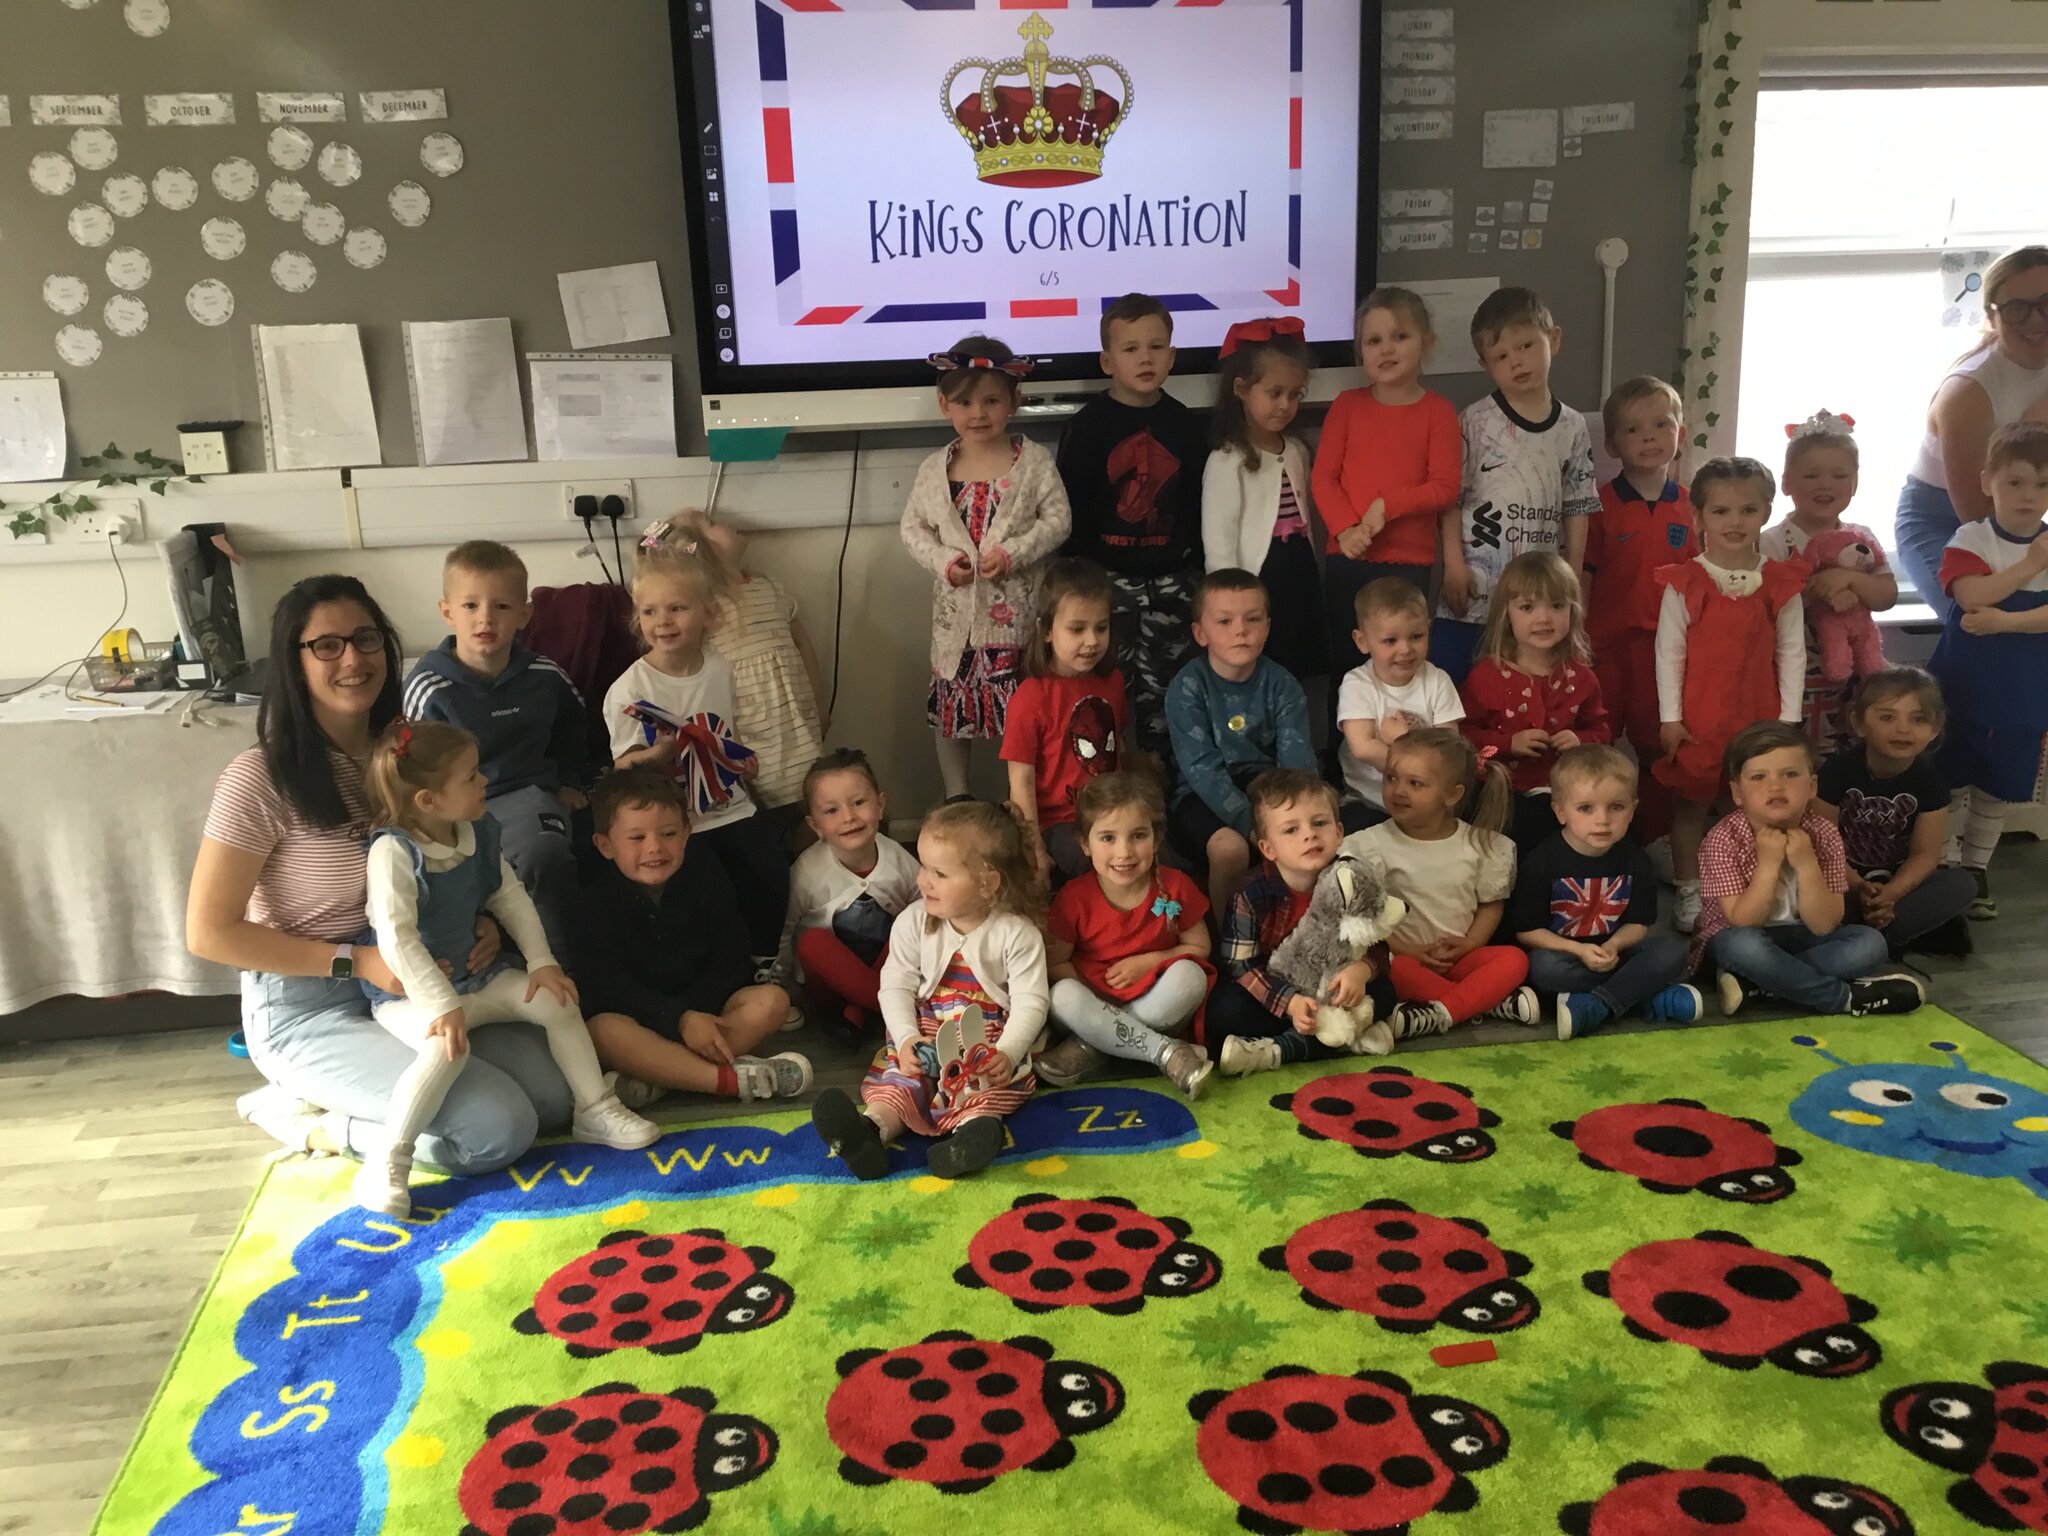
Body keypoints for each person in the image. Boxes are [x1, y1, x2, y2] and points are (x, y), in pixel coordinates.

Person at [188, 575, 569, 1177]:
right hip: (311, 1006)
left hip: (425, 984)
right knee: (498, 1130)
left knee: (556, 1098)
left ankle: (364, 1100)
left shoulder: (407, 755)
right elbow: (209, 933)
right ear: (293, 663)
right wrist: (358, 961)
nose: (353, 659)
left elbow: (460, 859)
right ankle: (317, 1123)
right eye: (326, 645)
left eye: (365, 639)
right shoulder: (259, 778)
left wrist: (482, 920)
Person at [353, 720, 656, 1214]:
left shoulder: (478, 830)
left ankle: (595, 1109)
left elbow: (510, 897)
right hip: (412, 995)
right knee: (443, 1050)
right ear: (429, 801)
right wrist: (439, 1002)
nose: (485, 782)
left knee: (557, 1001)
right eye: (471, 777)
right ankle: (391, 1159)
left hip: (480, 976)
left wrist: (541, 963)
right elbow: (396, 936)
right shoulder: (393, 852)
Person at [810, 800, 1049, 1181]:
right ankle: (870, 1131)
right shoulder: (913, 921)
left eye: (939, 873)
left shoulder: (1016, 933)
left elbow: (1031, 1001)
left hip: (983, 1041)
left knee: (979, 1091)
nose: (923, 881)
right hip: (928, 1031)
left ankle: (969, 1138)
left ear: (987, 882)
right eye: (922, 866)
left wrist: (1007, 1051)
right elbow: (894, 985)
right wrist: (906, 1039)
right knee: (902, 1082)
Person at [603, 522, 791, 996]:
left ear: (709, 615)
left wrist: (739, 762)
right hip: (675, 817)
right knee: (710, 891)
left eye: (677, 608)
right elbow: (622, 772)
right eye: (650, 611)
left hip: (728, 803)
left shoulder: (719, 669)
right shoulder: (630, 689)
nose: (663, 621)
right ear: (637, 619)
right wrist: (657, 756)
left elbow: (725, 732)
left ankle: (763, 962)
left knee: (768, 865)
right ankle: (718, 978)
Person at [575, 767, 811, 1107]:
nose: (655, 848)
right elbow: (608, 987)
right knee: (602, 1031)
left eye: (668, 833)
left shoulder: (707, 876)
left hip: (708, 1014)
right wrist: (679, 1019)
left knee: (772, 1002)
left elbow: (732, 957)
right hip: (644, 1020)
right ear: (605, 845)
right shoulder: (594, 902)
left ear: (687, 833)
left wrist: (696, 1017)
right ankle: (729, 1081)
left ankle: (666, 1075)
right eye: (637, 838)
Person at [402, 540, 589, 962]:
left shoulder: (545, 675)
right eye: (470, 606)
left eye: (502, 607)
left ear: (524, 614)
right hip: (455, 807)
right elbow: (412, 767)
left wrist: (571, 781)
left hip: (527, 794)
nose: (485, 618)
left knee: (548, 854)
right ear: (447, 611)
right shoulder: (427, 687)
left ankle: (565, 971)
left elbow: (575, 728)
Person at [904, 336, 1073, 800]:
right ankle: (957, 794)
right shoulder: (934, 469)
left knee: (1019, 711)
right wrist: (944, 561)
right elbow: (912, 528)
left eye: (992, 400)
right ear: (945, 406)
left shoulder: (1034, 462)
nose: (978, 412)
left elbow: (1058, 520)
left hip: (1015, 621)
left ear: (1014, 402)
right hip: (956, 621)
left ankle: (1023, 798)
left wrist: (1014, 553)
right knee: (953, 705)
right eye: (964, 402)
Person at [1056, 293, 1207, 772]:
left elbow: (1198, 506)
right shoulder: (1087, 428)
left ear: (1172, 357)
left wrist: (1196, 574)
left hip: (1172, 584)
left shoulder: (1185, 425)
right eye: (1130, 349)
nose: (1145, 358)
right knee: (1105, 691)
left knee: (1167, 696)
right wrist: (1075, 583)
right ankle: (1105, 792)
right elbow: (1070, 513)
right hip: (1106, 585)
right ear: (1106, 360)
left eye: (1156, 347)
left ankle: (1162, 795)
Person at [1656, 458, 1808, 934]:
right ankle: (1690, 889)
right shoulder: (1685, 582)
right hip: (1699, 719)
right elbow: (1668, 654)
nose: (1735, 522)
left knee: (1760, 807)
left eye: (1747, 510)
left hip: (1759, 720)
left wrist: (1787, 721)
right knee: (1692, 806)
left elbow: (1792, 652)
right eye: (1720, 511)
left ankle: (1757, 892)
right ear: (1698, 517)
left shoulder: (1781, 583)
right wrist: (1670, 717)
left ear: (1765, 512)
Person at [1696, 722, 1926, 1019]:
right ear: (1737, 793)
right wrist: (1767, 863)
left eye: (1790, 774)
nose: (1775, 786)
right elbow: (1743, 920)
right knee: (1741, 946)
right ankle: (1843, 998)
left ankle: (1762, 983)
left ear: (1812, 786)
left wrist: (1806, 863)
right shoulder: (1722, 839)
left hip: (1805, 936)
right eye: (1758, 777)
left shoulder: (1824, 833)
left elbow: (1824, 924)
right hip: (1741, 937)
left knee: (1870, 944)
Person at [1435, 286, 1599, 685]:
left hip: (1540, 595)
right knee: (1456, 686)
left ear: (1553, 339)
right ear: (1485, 363)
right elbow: (1450, 499)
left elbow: (1578, 506)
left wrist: (1573, 579)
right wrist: (1453, 566)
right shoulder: (1473, 422)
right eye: (1501, 356)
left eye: (1526, 345)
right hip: (1477, 587)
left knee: (1530, 691)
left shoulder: (1573, 427)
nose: (1516, 361)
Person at [1927, 421, 2048, 921]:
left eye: (2043, 484)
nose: (2028, 495)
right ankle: (1943, 864)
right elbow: (1970, 596)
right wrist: (2027, 567)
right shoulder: (1971, 537)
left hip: (2024, 692)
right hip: (1964, 686)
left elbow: (1990, 613)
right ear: (1988, 483)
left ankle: (1976, 869)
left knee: (1997, 786)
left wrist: (2006, 621)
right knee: (1950, 778)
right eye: (2015, 482)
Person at [1343, 728, 1538, 1039]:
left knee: (1513, 959)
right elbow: (1366, 917)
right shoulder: (1369, 846)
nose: (1398, 790)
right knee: (1389, 970)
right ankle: (1483, 1002)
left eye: (1415, 783)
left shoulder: (1481, 845)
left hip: (1461, 958)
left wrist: (1471, 944)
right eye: (1391, 777)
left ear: (1452, 794)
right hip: (1404, 957)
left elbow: (1491, 905)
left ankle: (1442, 1011)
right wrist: (1408, 949)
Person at [1314, 287, 1462, 689]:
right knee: (1348, 668)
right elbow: (1323, 478)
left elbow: (1446, 487)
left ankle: (1401, 749)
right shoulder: (1346, 405)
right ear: (1360, 352)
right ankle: (1342, 750)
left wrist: (1387, 505)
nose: (1386, 349)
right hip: (1347, 558)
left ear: (1425, 344)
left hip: (1409, 564)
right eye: (1373, 341)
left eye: (1400, 336)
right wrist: (1346, 530)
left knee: (1401, 669)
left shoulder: (1438, 411)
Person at [1040, 771, 1214, 1098]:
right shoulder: (1075, 897)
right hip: (1092, 1003)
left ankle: (1093, 1048)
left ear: (1157, 838)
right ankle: (1164, 1052)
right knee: (1061, 995)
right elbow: (1056, 962)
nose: (1124, 852)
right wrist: (1097, 1003)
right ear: (1084, 844)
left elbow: (1200, 946)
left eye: (1138, 836)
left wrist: (1152, 960)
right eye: (1108, 838)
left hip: (1153, 1000)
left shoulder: (1175, 886)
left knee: (1191, 977)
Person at [1896, 246, 2048, 620]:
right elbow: (1976, 515)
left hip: (2025, 506)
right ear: (1992, 316)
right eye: (2017, 308)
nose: (2037, 320)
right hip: (1946, 515)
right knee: (1980, 617)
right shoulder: (1968, 393)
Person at [1210, 770, 1395, 1076]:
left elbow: (1376, 941)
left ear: (1338, 832)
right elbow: (1240, 965)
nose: (1309, 835)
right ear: (1268, 848)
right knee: (1223, 1011)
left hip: (1334, 988)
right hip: (1280, 992)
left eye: (1319, 823)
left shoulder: (1350, 878)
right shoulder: (1251, 892)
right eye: (1291, 830)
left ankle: (1280, 1050)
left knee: (1386, 991)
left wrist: (1361, 971)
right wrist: (1290, 1002)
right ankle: (1344, 1038)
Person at [1513, 744, 1700, 1040]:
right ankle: (1647, 996)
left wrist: (1613, 946)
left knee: (1672, 951)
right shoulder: (1541, 861)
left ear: (1632, 810)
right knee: (1542, 968)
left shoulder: (1635, 859)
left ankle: (1596, 1005)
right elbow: (1528, 932)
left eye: (1616, 807)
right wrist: (1579, 951)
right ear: (1560, 812)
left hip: (1618, 952)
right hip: (1567, 956)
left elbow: (1639, 924)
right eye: (1586, 808)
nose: (1602, 820)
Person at [1164, 569, 1316, 922]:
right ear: (1201, 633)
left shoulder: (1283, 685)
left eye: (1252, 619)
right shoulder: (1187, 687)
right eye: (1225, 621)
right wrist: (1253, 825)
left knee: (1308, 837)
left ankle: (1295, 927)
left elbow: (1297, 764)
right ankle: (1229, 942)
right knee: (1230, 849)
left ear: (1267, 626)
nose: (1240, 630)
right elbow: (1202, 770)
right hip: (1198, 798)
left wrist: (1290, 820)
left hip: (1268, 790)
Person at [1583, 377, 1696, 843]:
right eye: (1633, 429)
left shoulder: (1694, 508)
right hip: (1604, 648)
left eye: (1660, 424)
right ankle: (1594, 839)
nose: (1649, 437)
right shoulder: (1597, 505)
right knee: (1595, 744)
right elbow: (1583, 576)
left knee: (1659, 748)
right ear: (1612, 443)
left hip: (1665, 654)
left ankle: (1655, 842)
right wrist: (1579, 637)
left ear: (1680, 434)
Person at [673, 506, 830, 835]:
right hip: (750, 721)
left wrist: (818, 700)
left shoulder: (769, 585)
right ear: (708, 549)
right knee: (767, 801)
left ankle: (820, 856)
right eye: (713, 523)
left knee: (813, 791)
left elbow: (802, 642)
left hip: (794, 714)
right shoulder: (706, 607)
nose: (728, 521)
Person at [1762, 411, 1898, 760]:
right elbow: (1763, 611)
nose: (1826, 485)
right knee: (1791, 758)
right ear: (1788, 482)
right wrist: (1815, 590)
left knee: (1844, 760)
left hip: (1851, 681)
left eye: (1839, 475)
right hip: (1789, 680)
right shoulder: (1771, 543)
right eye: (1811, 475)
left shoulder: (1861, 538)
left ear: (1854, 484)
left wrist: (1850, 578)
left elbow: (1887, 594)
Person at [1459, 551, 1611, 851]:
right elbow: (1462, 737)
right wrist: (1508, 743)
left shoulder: (1580, 677)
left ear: (1573, 610)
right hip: (1500, 792)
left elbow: (1602, 731)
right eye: (1527, 607)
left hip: (1565, 792)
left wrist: (1580, 740)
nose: (1543, 618)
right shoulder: (1486, 675)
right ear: (1507, 614)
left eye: (1556, 606)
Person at [1816, 669, 1975, 957]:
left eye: (1918, 719)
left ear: (1935, 728)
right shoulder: (1836, 771)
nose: (1903, 729)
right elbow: (1821, 845)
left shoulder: (1931, 782)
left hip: (1897, 886)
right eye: (1887, 717)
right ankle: (1885, 936)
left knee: (1961, 884)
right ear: (1859, 723)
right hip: (1840, 881)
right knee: (1802, 887)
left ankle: (1877, 937)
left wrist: (1890, 895)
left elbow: (1925, 855)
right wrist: (1857, 885)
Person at [1202, 316, 1324, 682]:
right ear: (1241, 389)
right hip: (1257, 580)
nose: (1285, 404)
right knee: (1258, 668)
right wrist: (1226, 604)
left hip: (1297, 574)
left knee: (1296, 667)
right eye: (1274, 393)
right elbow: (1219, 539)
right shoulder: (1228, 459)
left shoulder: (1299, 450)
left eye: (1294, 394)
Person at [1001, 557, 1130, 883]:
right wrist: (1035, 850)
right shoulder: (1030, 697)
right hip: (1058, 824)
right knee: (1100, 866)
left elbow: (1120, 751)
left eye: (1101, 628)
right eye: (1077, 629)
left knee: (1157, 860)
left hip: (1111, 814)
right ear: (1046, 631)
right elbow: (1021, 784)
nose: (1092, 641)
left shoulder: (1112, 682)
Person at [781, 748, 920, 1037]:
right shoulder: (807, 872)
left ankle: (863, 1010)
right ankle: (891, 1012)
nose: (849, 817)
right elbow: (785, 932)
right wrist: (787, 991)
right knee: (812, 942)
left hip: (890, 972)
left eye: (858, 802)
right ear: (815, 825)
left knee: (917, 917)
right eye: (832, 810)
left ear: (880, 806)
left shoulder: (897, 858)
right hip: (833, 989)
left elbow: (928, 911)